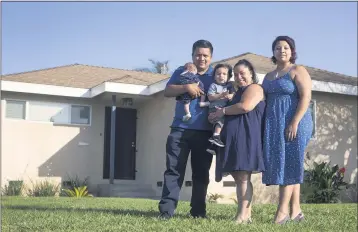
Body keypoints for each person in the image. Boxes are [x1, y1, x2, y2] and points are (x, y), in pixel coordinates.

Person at [158, 40, 215, 220]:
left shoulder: (217, 75)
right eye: (198, 54)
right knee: (173, 171)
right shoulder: (181, 72)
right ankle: (166, 211)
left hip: (205, 132)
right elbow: (167, 91)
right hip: (179, 130)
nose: (201, 58)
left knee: (201, 174)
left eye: (205, 55)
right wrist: (186, 87)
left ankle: (198, 212)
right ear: (192, 56)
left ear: (211, 57)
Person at [262, 36, 313, 224]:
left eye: (286, 47)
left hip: (296, 122)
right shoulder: (268, 77)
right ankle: (296, 211)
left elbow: (306, 97)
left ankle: (281, 212)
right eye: (277, 47)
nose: (282, 50)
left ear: (292, 51)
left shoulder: (298, 70)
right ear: (273, 52)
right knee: (291, 163)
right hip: (276, 125)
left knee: (289, 163)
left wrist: (294, 122)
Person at [209, 59, 266, 224]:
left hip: (247, 137)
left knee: (242, 176)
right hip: (234, 139)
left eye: (242, 73)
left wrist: (222, 111)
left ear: (251, 74)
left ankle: (242, 216)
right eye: (236, 74)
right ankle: (246, 215)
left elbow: (245, 106)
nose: (239, 77)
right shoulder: (236, 92)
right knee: (239, 177)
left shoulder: (255, 88)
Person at [206, 63, 234, 148]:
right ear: (214, 76)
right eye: (218, 74)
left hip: (224, 109)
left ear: (229, 77)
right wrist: (220, 95)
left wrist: (231, 96)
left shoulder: (230, 86)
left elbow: (233, 95)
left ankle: (213, 145)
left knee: (223, 123)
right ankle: (216, 136)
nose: (221, 76)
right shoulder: (214, 86)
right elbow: (210, 97)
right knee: (220, 121)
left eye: (224, 74)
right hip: (215, 108)